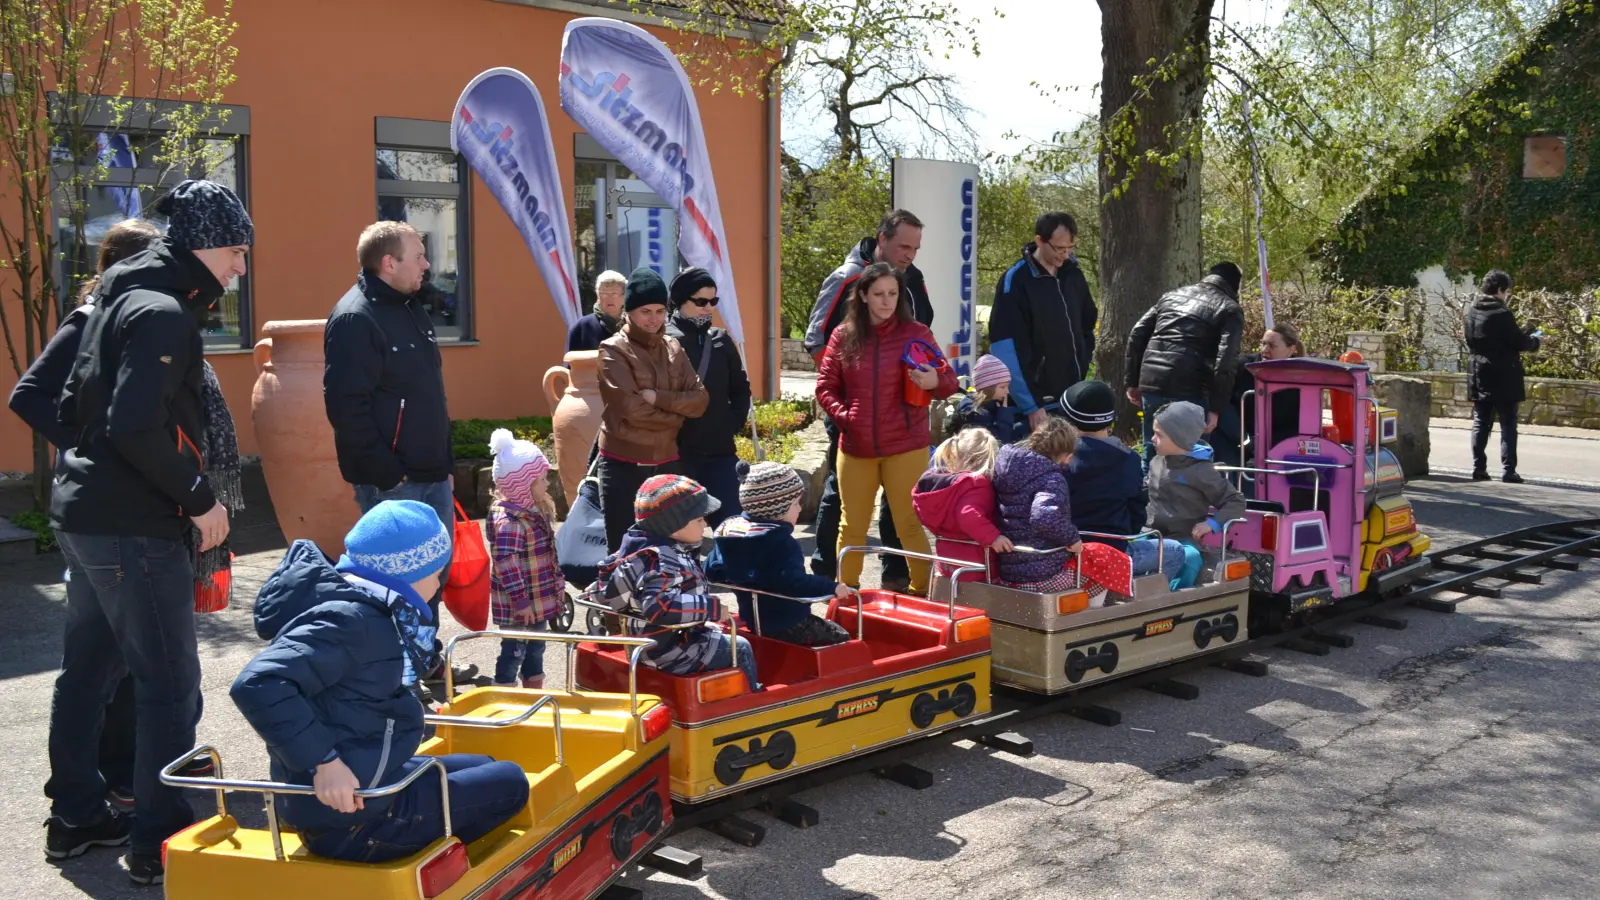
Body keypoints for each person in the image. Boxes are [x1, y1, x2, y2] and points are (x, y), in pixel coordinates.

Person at [46, 180, 247, 884]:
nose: (240, 267)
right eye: (234, 250)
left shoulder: (118, 297)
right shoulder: (162, 312)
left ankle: (75, 817)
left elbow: (71, 404)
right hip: (134, 530)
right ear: (198, 245)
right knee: (168, 685)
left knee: (91, 672)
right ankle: (155, 842)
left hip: (88, 519)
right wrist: (197, 498)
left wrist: (97, 470)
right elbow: (131, 423)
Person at [231, 500, 529, 863]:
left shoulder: (368, 605)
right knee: (512, 783)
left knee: (484, 762)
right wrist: (324, 762)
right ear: (406, 574)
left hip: (366, 780)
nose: (438, 582)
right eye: (435, 572)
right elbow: (258, 683)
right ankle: (430, 863)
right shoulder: (353, 622)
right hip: (356, 819)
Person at [12, 220, 160, 816]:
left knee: (109, 663)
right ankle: (77, 801)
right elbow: (28, 394)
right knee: (96, 666)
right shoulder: (91, 321)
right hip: (103, 516)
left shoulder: (122, 321)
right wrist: (88, 444)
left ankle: (108, 783)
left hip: (105, 513)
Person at [324, 221, 462, 681]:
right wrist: (388, 475)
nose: (427, 264)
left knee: (430, 578)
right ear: (389, 262)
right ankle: (393, 681)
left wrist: (445, 465)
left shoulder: (409, 308)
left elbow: (428, 396)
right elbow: (347, 409)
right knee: (394, 587)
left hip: (430, 474)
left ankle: (428, 666)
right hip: (395, 483)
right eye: (419, 255)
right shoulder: (354, 318)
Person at [802, 209, 931, 588]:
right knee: (842, 501)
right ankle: (829, 576)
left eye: (916, 248)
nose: (910, 254)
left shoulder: (913, 278)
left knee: (901, 508)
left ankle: (898, 574)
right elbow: (816, 340)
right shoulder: (847, 277)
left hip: (902, 422)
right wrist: (849, 406)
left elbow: (923, 338)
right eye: (904, 245)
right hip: (852, 417)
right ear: (882, 239)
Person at [815, 262, 959, 596]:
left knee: (908, 523)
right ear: (863, 295)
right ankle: (846, 594)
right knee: (852, 526)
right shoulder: (843, 334)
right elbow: (825, 388)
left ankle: (923, 592)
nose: (886, 301)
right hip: (855, 448)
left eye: (892, 293)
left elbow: (949, 381)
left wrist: (934, 380)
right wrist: (847, 417)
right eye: (878, 294)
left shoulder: (916, 333)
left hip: (907, 446)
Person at [591, 475, 759, 690]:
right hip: (670, 651)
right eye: (699, 519)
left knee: (715, 632)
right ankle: (751, 696)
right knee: (740, 646)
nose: (706, 524)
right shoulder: (666, 562)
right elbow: (659, 606)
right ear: (675, 525)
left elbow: (604, 593)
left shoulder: (635, 554)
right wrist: (710, 607)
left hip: (644, 645)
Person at [595, 268, 709, 552]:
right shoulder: (612, 349)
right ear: (629, 311)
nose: (654, 319)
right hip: (623, 464)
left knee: (671, 549)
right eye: (645, 311)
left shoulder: (673, 347)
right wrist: (677, 415)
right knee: (625, 553)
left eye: (660, 310)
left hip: (667, 463)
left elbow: (700, 400)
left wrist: (657, 397)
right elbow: (632, 411)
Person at [707, 462, 852, 646]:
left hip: (754, 620)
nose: (800, 509)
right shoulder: (781, 544)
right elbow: (795, 584)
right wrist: (831, 587)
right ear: (778, 508)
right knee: (842, 637)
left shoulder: (730, 536)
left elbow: (711, 571)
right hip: (789, 623)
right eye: (796, 504)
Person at [1059, 381, 1185, 586]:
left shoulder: (1058, 456)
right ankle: (1136, 600)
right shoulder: (1129, 459)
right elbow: (1137, 511)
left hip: (1065, 552)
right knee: (1175, 551)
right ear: (1110, 418)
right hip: (1112, 553)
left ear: (1067, 418)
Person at [1125, 262, 1247, 471]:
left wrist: (1133, 381)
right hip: (1192, 388)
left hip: (1153, 381)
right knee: (1194, 458)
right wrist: (1217, 408)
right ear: (1234, 286)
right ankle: (1186, 502)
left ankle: (1149, 499)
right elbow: (1226, 361)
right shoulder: (1229, 309)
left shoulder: (1171, 296)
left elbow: (1137, 334)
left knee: (1152, 454)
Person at [992, 418, 1131, 598]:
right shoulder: (1050, 478)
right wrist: (1072, 539)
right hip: (1044, 574)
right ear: (1066, 454)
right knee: (1103, 565)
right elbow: (1044, 517)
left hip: (1010, 570)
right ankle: (1088, 618)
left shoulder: (1008, 470)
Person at [989, 212, 1100, 432]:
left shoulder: (1073, 275)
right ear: (1040, 240)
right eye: (1059, 248)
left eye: (1070, 248)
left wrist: (1084, 358)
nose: (1065, 255)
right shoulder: (1016, 280)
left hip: (1071, 398)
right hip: (1036, 405)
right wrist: (1031, 404)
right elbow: (1006, 347)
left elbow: (1087, 323)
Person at [666, 267, 751, 527]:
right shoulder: (664, 341)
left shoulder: (721, 340)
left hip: (720, 454)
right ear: (681, 300)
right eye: (701, 301)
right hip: (678, 456)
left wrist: (730, 423)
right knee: (680, 535)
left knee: (734, 529)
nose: (708, 308)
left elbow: (740, 388)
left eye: (713, 301)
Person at [487, 429, 563, 689]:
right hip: (519, 604)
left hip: (536, 600)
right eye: (541, 479)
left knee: (536, 647)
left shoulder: (532, 512)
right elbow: (506, 564)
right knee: (513, 650)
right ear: (522, 486)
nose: (547, 484)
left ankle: (533, 692)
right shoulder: (510, 523)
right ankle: (504, 693)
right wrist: (521, 601)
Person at [1146, 401, 1246, 589]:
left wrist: (1212, 524)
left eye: (1159, 435)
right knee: (1125, 550)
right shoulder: (1156, 461)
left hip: (1183, 537)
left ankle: (1174, 597)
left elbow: (1235, 501)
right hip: (1151, 533)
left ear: (1180, 439)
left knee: (1192, 560)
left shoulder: (1201, 471)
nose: (1152, 439)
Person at [1465, 270, 1541, 484]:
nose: (1507, 295)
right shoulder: (1502, 313)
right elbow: (1519, 342)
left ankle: (1478, 468)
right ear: (1500, 290)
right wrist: (1535, 341)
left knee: (1481, 422)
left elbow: (1472, 340)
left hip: (1479, 372)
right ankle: (1509, 470)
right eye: (1507, 291)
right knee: (1508, 423)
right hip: (1505, 374)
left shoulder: (1472, 311)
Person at [912, 429, 1012, 584]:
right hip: (975, 564)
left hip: (947, 561)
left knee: (951, 602)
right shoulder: (976, 484)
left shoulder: (940, 485)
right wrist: (993, 537)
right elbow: (967, 515)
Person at [1217, 323, 1305, 480]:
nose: (1265, 350)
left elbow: (1297, 423)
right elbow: (1222, 402)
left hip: (1276, 447)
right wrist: (1244, 438)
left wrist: (1269, 446)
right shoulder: (1242, 367)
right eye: (1263, 343)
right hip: (1236, 440)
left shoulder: (1301, 378)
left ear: (1292, 350)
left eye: (1272, 345)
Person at [944, 354, 1028, 445]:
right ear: (988, 388)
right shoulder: (976, 413)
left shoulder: (988, 402)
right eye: (1002, 387)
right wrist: (1004, 414)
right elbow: (998, 443)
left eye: (1007, 386)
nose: (1007, 391)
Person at [567, 269, 627, 356]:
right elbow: (571, 364)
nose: (609, 298)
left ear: (624, 296)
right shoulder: (582, 328)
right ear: (597, 295)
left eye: (614, 293)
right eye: (604, 293)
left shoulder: (633, 324)